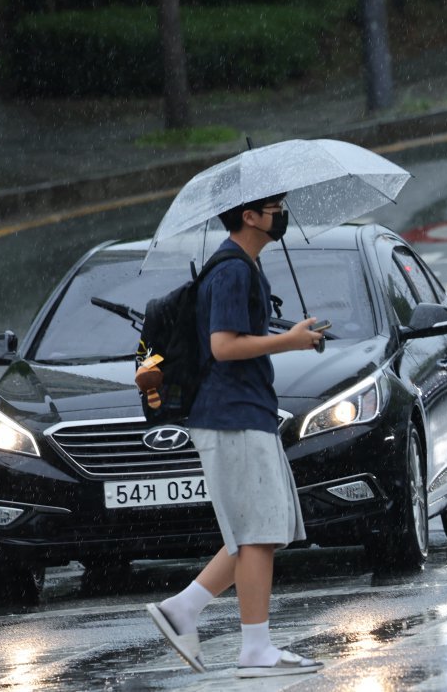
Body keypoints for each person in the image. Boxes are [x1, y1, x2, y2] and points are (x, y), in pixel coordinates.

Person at [146, 194, 326, 678]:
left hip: (245, 413)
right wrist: (288, 341)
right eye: (275, 207)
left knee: (261, 530)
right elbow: (223, 346)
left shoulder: (244, 266)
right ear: (249, 216)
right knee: (259, 533)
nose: (282, 214)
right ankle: (255, 649)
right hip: (232, 416)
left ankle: (182, 609)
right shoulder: (231, 270)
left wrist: (293, 334)